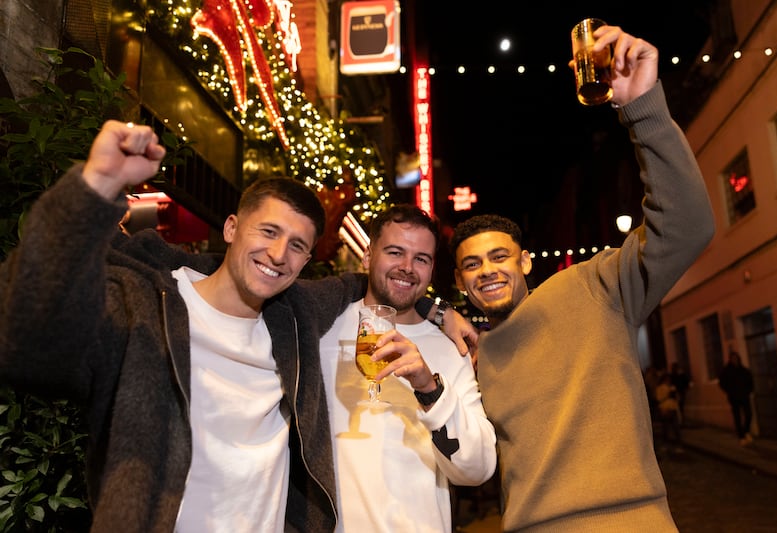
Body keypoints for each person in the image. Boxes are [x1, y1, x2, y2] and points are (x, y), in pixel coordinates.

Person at [0, 121, 472, 532]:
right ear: (230, 228)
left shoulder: (296, 315)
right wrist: (93, 188)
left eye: (297, 246)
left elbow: (376, 281)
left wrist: (436, 309)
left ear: (307, 260)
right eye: (268, 231)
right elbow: (27, 347)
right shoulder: (145, 305)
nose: (278, 254)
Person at [448, 25, 715, 531]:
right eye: (472, 264)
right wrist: (435, 313)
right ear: (460, 282)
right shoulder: (474, 358)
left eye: (500, 256)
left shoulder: (593, 287)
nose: (488, 271)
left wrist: (641, 108)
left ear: (526, 262)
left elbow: (687, 227)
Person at [318, 204, 496, 532]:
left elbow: (477, 470)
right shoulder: (323, 328)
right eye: (395, 252)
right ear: (368, 256)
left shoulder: (451, 348)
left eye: (421, 259)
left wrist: (430, 389)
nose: (407, 268)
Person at [719, 350, 755, 445]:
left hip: (744, 395)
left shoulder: (743, 370)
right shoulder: (726, 371)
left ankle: (746, 431)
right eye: (733, 358)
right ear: (730, 359)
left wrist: (749, 390)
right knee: (737, 417)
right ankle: (741, 436)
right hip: (734, 397)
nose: (734, 360)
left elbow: (750, 380)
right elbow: (722, 383)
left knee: (749, 414)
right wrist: (729, 391)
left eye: (736, 358)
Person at [655, 372, 682, 449]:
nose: (668, 380)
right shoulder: (660, 388)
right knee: (665, 428)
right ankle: (665, 444)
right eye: (667, 379)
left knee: (676, 428)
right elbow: (659, 399)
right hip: (665, 409)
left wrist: (676, 395)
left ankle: (678, 445)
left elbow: (677, 399)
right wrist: (668, 394)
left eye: (669, 379)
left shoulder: (672, 387)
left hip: (673, 409)